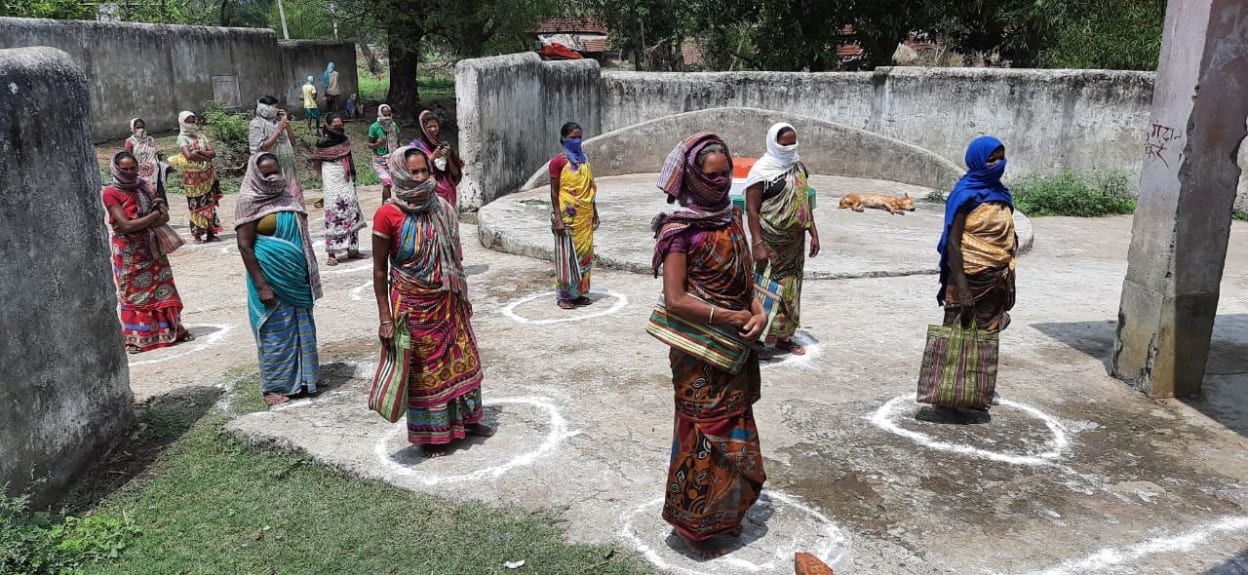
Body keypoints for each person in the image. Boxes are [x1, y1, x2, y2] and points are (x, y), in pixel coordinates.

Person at [651, 132, 768, 557]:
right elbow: (676, 299)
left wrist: (757, 311)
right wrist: (728, 316)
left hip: (736, 346)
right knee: (703, 430)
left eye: (725, 175)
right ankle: (695, 524)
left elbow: (745, 281)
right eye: (711, 175)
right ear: (692, 176)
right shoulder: (679, 231)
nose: (720, 183)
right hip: (699, 352)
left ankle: (729, 513)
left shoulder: (730, 218)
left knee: (735, 420)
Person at [372, 146, 490, 458]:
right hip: (412, 305)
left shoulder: (441, 207)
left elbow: (455, 256)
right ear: (400, 173)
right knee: (425, 372)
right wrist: (386, 318)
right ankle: (433, 436)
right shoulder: (388, 214)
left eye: (425, 171)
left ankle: (468, 418)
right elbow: (379, 270)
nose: (422, 177)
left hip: (448, 301)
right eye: (415, 172)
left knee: (462, 358)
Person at [235, 153, 323, 407]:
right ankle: (274, 386)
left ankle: (306, 378)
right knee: (276, 331)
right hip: (270, 277)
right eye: (266, 173)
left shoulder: (288, 196)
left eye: (276, 171)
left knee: (301, 325)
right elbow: (244, 246)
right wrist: (262, 285)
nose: (273, 177)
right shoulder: (248, 201)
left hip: (295, 276)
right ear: (255, 174)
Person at [102, 151, 193, 354]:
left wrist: (151, 218)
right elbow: (126, 225)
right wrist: (153, 215)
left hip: (152, 248)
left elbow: (164, 218)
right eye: (124, 169)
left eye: (132, 168)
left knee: (163, 288)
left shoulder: (146, 186)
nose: (129, 172)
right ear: (116, 169)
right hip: (129, 252)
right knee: (134, 294)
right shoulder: (111, 192)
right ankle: (137, 339)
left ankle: (172, 331)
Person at [744, 122, 821, 355]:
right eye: (784, 144)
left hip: (794, 244)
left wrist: (813, 232)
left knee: (790, 289)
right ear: (773, 142)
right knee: (765, 288)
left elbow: (804, 200)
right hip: (768, 241)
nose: (788, 149)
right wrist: (757, 244)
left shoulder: (799, 167)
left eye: (792, 144)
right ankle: (756, 338)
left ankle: (784, 336)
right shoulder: (762, 172)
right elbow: (752, 210)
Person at [937, 136, 1017, 334]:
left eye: (1001, 159)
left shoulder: (1001, 193)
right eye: (992, 160)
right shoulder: (965, 195)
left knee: (984, 347)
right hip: (967, 279)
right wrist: (963, 291)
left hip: (995, 279)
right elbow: (953, 244)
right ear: (977, 161)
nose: (999, 165)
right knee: (954, 344)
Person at [548, 121, 598, 309]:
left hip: (585, 215)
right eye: (572, 138)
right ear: (563, 139)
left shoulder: (584, 160)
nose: (576, 140)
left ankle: (581, 293)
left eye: (579, 137)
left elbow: (590, 188)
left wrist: (595, 212)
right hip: (567, 217)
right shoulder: (558, 162)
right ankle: (565, 295)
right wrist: (558, 218)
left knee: (585, 255)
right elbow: (554, 192)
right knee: (567, 256)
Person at [314, 113, 366, 266]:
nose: (339, 127)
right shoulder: (322, 142)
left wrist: (353, 177)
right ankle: (332, 254)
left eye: (340, 124)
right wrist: (324, 180)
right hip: (330, 175)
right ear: (328, 125)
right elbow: (317, 163)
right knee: (334, 210)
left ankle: (353, 249)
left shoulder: (344, 140)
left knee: (351, 208)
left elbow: (349, 158)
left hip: (346, 176)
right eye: (335, 125)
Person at [171, 111, 221, 243]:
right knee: (196, 206)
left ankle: (211, 233)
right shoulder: (182, 138)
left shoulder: (200, 136)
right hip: (193, 179)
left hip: (207, 175)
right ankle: (197, 235)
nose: (192, 123)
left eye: (193, 120)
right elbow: (188, 155)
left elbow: (213, 153)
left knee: (209, 204)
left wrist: (199, 153)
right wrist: (205, 156)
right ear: (183, 122)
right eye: (189, 121)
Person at [248, 96, 301, 200]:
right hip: (271, 168)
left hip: (287, 166)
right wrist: (279, 130)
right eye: (274, 107)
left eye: (277, 107)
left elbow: (293, 142)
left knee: (292, 195)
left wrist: (286, 123)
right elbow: (262, 147)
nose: (276, 110)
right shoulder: (256, 123)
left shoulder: (278, 122)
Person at [409, 110, 464, 207]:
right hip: (427, 192)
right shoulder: (416, 146)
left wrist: (449, 157)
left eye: (435, 126)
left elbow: (455, 173)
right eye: (429, 126)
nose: (433, 129)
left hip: (447, 193)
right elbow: (412, 170)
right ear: (423, 128)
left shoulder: (443, 146)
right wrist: (433, 157)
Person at [125, 118, 166, 202]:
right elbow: (128, 158)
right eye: (138, 127)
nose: (141, 130)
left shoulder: (150, 140)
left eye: (142, 127)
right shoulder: (130, 142)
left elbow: (156, 154)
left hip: (155, 174)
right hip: (140, 175)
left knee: (159, 200)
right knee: (145, 199)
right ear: (132, 129)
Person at [368, 104, 399, 200]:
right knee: (387, 182)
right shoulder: (374, 127)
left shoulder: (393, 125)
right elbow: (369, 145)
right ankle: (387, 206)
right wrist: (378, 144)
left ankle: (384, 206)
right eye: (384, 115)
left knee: (391, 185)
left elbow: (398, 141)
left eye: (389, 115)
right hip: (379, 160)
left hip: (392, 158)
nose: (387, 117)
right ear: (379, 114)